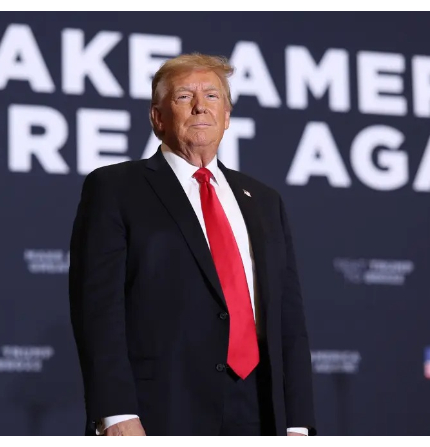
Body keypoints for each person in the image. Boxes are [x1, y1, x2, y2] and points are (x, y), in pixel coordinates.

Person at [68, 53, 315, 436]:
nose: (201, 106)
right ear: (157, 117)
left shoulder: (265, 200)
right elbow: (99, 311)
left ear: (228, 115)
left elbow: (289, 320)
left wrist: (298, 422)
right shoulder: (115, 188)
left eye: (213, 96)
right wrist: (115, 413)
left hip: (261, 407)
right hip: (162, 409)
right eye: (184, 96)